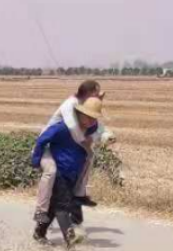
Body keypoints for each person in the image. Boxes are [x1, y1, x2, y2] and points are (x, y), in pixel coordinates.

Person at [35, 81, 115, 222]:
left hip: (68, 142)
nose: (98, 96)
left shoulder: (84, 105)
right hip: (50, 142)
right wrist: (85, 141)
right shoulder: (70, 104)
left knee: (89, 157)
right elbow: (72, 127)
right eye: (96, 93)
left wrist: (105, 135)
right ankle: (40, 210)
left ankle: (79, 194)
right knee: (51, 171)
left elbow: (95, 124)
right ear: (88, 93)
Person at [32, 97, 105, 248]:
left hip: (73, 174)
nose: (91, 121)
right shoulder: (63, 127)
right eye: (88, 116)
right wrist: (36, 161)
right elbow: (42, 140)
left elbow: (99, 134)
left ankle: (39, 232)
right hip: (60, 171)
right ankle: (69, 236)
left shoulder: (91, 130)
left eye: (94, 118)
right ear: (79, 113)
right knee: (63, 205)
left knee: (54, 204)